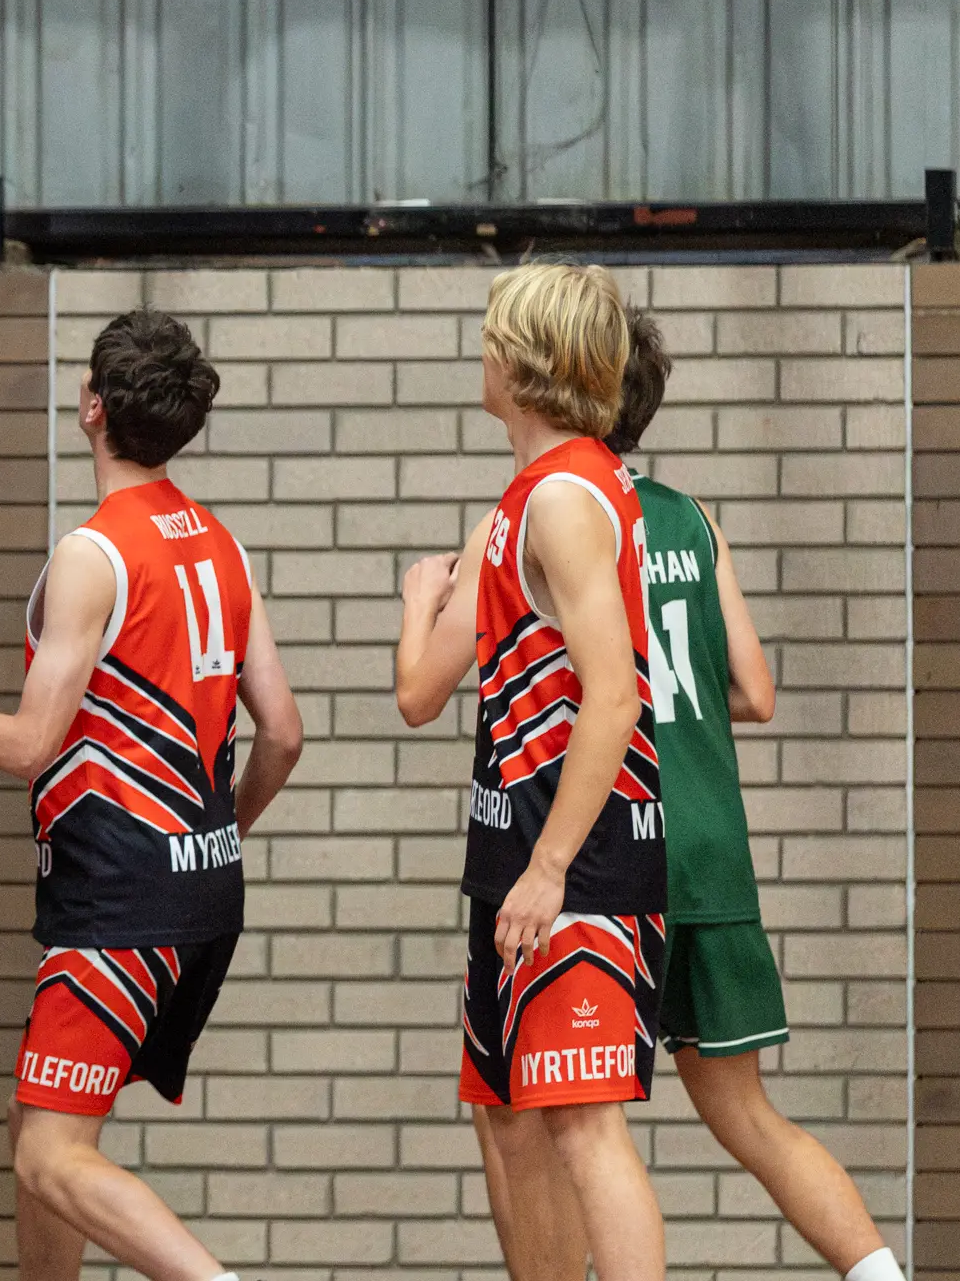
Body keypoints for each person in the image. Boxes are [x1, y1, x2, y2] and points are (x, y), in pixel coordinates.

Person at [0, 309, 303, 1281]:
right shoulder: (219, 546)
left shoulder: (93, 553)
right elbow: (282, 732)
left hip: (119, 900)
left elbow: (30, 744)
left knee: (48, 1154)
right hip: (201, 890)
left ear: (90, 409)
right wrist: (218, 831)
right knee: (38, 1123)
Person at [479, 314, 905, 1281]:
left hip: (611, 837)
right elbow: (755, 690)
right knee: (748, 1118)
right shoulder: (687, 515)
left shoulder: (557, 505)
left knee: (558, 1122)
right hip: (709, 843)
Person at [392, 262, 668, 1281]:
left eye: (489, 335)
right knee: (507, 1122)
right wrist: (418, 599)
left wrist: (551, 867)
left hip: (575, 861)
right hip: (510, 857)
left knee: (586, 1129)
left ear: (524, 362)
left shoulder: (565, 497)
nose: (480, 350)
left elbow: (614, 694)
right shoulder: (514, 504)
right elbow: (420, 693)